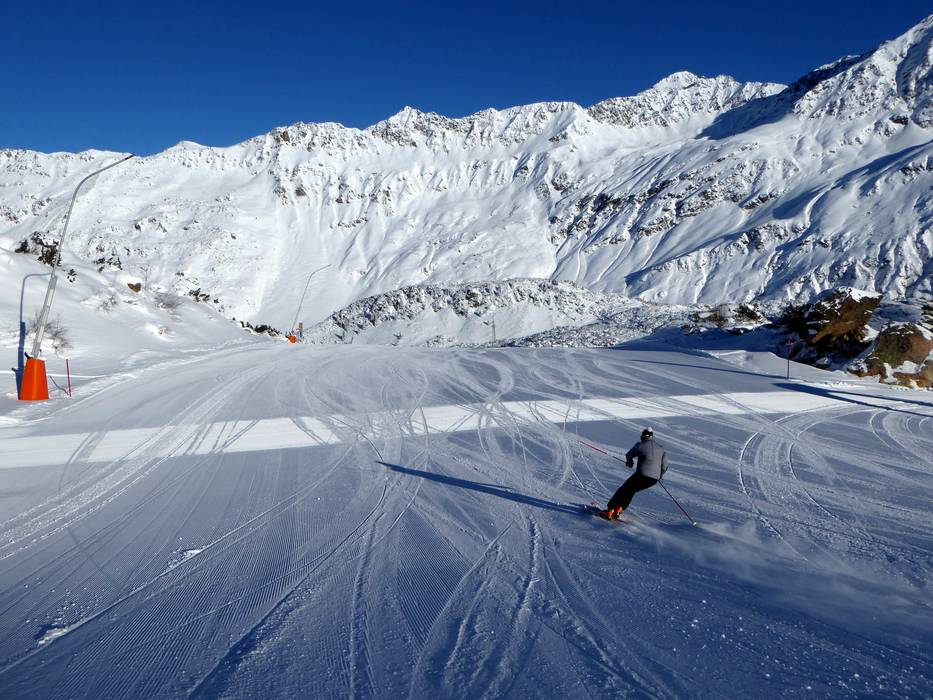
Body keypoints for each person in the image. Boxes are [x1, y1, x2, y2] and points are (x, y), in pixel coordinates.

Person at [600, 428, 668, 520]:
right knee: (631, 490)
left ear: (643, 436)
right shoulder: (661, 449)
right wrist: (659, 476)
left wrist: (630, 463)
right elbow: (664, 467)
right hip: (653, 480)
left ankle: (611, 509)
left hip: (641, 476)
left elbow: (629, 455)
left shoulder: (640, 445)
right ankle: (619, 509)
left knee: (624, 489)